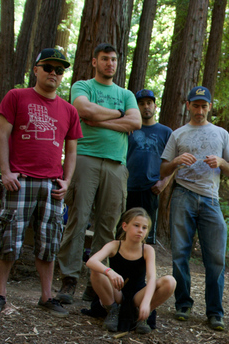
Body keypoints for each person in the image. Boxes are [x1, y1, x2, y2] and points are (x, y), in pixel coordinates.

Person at [0, 48, 82, 317]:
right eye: (48, 67)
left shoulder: (69, 110)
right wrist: (5, 172)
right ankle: (0, 293)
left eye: (59, 70)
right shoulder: (16, 97)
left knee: (49, 241)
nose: (53, 73)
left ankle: (46, 296)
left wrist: (67, 180)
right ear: (36, 69)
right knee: (9, 236)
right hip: (20, 180)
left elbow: (71, 150)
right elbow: (2, 135)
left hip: (51, 184)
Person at [55, 43, 141, 305]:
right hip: (85, 159)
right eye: (104, 59)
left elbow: (135, 122)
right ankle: (68, 279)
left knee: (109, 226)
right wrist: (118, 116)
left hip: (116, 165)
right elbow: (84, 110)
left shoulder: (126, 94)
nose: (110, 64)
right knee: (77, 219)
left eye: (114, 60)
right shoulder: (83, 86)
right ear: (95, 62)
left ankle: (96, 283)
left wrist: (101, 120)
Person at [160, 86, 229, 331]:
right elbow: (162, 170)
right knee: (179, 252)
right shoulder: (178, 134)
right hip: (182, 194)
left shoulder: (221, 134)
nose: (200, 110)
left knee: (215, 257)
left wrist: (222, 162)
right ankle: (183, 304)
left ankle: (215, 312)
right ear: (188, 105)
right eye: (196, 105)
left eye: (204, 106)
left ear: (210, 107)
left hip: (211, 199)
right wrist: (175, 161)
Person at [86, 207, 175, 334]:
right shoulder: (114, 245)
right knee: (97, 271)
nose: (140, 230)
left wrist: (146, 302)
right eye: (136, 225)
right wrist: (109, 272)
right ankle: (112, 310)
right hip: (116, 292)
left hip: (137, 296)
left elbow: (151, 278)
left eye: (144, 228)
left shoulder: (147, 250)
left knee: (170, 281)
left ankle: (142, 315)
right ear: (125, 226)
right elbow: (91, 261)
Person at [125, 89, 172, 245]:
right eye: (142, 103)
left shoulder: (165, 132)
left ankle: (144, 268)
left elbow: (175, 162)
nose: (146, 107)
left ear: (155, 106)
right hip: (127, 187)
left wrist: (164, 182)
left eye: (149, 103)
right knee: (125, 230)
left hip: (150, 189)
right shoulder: (129, 129)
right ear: (136, 106)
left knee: (146, 234)